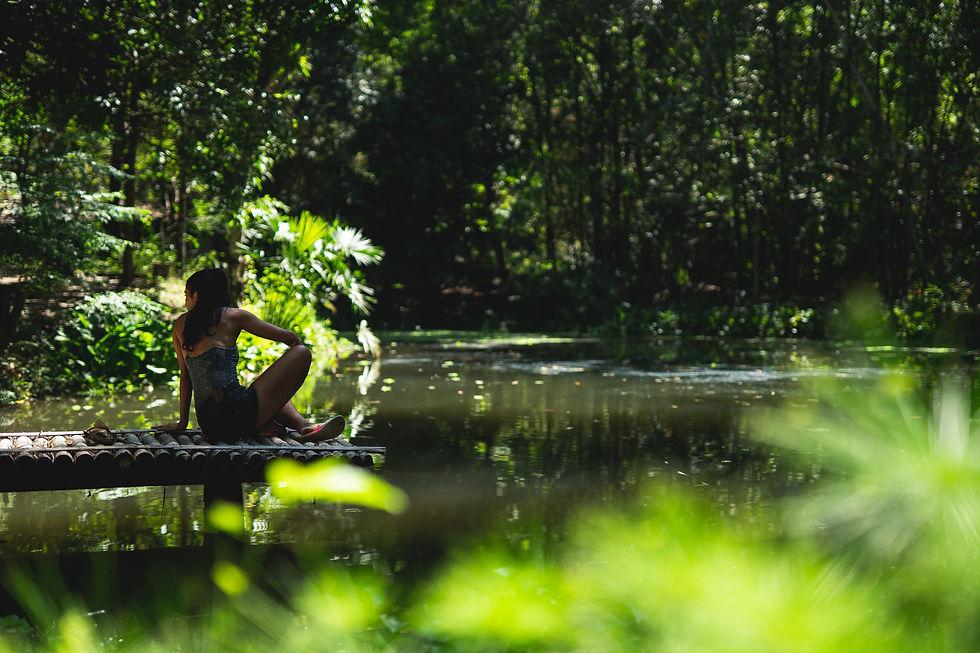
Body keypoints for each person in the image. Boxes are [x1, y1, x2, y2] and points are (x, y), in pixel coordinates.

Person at [153, 267, 344, 442]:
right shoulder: (234, 316)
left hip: (209, 424)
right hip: (236, 413)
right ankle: (283, 425)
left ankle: (298, 426)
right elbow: (290, 338)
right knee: (302, 353)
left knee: (254, 392)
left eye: (186, 296)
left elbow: (185, 377)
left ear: (196, 296)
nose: (185, 301)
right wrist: (295, 346)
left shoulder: (179, 325)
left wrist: (182, 422)